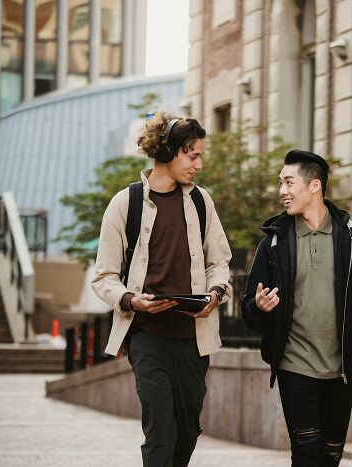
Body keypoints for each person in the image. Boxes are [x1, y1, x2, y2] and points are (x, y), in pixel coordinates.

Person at [241, 149, 352, 467]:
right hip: (294, 364)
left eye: (288, 182)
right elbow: (250, 311)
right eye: (280, 183)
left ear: (314, 186)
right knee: (305, 453)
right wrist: (260, 307)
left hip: (340, 366)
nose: (281, 191)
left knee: (330, 455)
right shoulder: (274, 243)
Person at [91, 112, 232, 467]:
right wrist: (130, 300)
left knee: (186, 432)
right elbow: (104, 275)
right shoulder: (126, 204)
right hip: (148, 337)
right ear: (167, 152)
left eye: (200, 155)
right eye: (192, 155)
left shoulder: (201, 202)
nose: (198, 164)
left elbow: (220, 262)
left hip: (193, 338)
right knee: (160, 434)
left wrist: (214, 296)